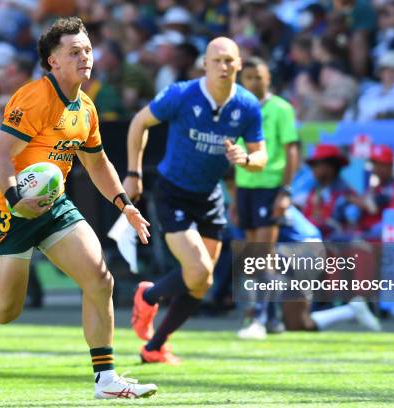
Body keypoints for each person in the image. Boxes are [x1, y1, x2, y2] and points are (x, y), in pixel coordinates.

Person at [0, 17, 157, 399]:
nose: (85, 57)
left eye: (88, 50)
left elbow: (97, 163)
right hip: (10, 210)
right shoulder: (34, 98)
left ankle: (105, 379)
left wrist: (124, 205)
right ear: (52, 62)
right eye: (74, 51)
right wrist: (17, 201)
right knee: (5, 310)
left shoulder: (86, 108)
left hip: (54, 205)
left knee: (100, 279)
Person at [124, 37, 267, 364]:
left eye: (229, 60)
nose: (223, 66)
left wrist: (244, 158)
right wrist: (133, 173)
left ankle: (154, 346)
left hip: (210, 197)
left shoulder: (247, 106)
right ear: (204, 64)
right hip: (173, 192)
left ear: (240, 64)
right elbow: (138, 122)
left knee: (202, 284)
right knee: (198, 270)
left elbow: (262, 158)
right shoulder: (182, 94)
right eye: (216, 60)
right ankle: (147, 296)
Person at [230, 56, 299, 339]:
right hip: (245, 187)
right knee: (253, 256)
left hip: (270, 187)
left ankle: (258, 317)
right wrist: (234, 196)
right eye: (249, 77)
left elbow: (292, 151)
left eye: (259, 76)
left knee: (262, 255)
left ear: (268, 78)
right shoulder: (239, 110)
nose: (254, 82)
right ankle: (272, 317)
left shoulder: (282, 109)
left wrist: (285, 191)